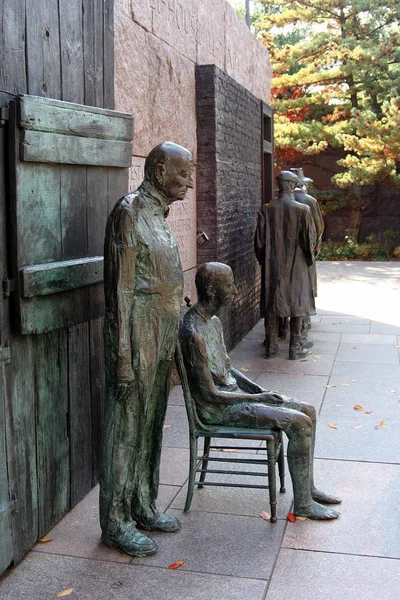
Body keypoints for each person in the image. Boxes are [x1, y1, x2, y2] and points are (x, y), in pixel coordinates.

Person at [179, 262, 340, 520]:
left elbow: (229, 369)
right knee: (298, 423)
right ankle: (303, 505)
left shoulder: (214, 322)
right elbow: (210, 396)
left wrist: (259, 389)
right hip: (219, 410)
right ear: (211, 290)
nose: (234, 289)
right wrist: (258, 398)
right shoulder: (193, 334)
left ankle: (307, 489)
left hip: (235, 398)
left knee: (308, 409)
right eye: (228, 284)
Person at [99, 142, 194, 557]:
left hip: (161, 332)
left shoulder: (158, 214)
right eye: (182, 172)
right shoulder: (129, 211)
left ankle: (142, 503)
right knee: (126, 428)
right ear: (157, 171)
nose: (188, 181)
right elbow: (120, 289)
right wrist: (121, 354)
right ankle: (116, 522)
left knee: (152, 422)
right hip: (136, 333)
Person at [254, 171, 315, 360]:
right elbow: (309, 241)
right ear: (292, 186)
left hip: (273, 265)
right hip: (297, 265)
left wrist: (266, 261)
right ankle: (294, 347)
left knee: (273, 302)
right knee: (297, 302)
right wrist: (308, 259)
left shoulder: (266, 209)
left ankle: (271, 346)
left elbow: (259, 243)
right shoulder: (302, 210)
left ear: (280, 185)